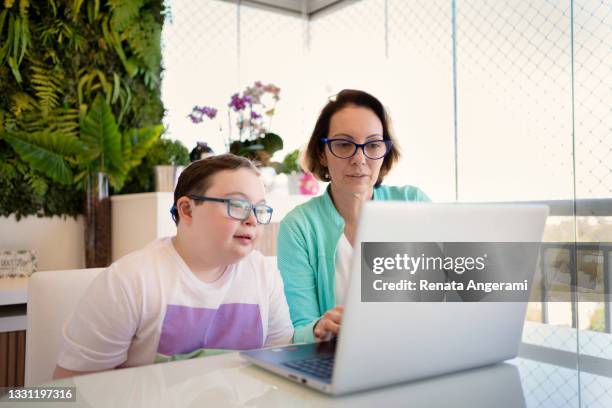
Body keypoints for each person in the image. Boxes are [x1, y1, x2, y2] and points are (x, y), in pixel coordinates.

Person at [54, 154, 293, 379]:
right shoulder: (130, 281)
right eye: (237, 205)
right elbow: (72, 388)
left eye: (259, 209)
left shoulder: (264, 274)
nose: (252, 220)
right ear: (187, 209)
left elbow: (281, 367)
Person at [277, 89, 430, 343]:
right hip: (336, 363)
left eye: (372, 145)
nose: (359, 159)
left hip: (415, 348)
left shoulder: (412, 203)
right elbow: (299, 329)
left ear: (385, 151)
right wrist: (317, 328)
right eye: (344, 144)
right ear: (322, 153)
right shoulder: (299, 227)